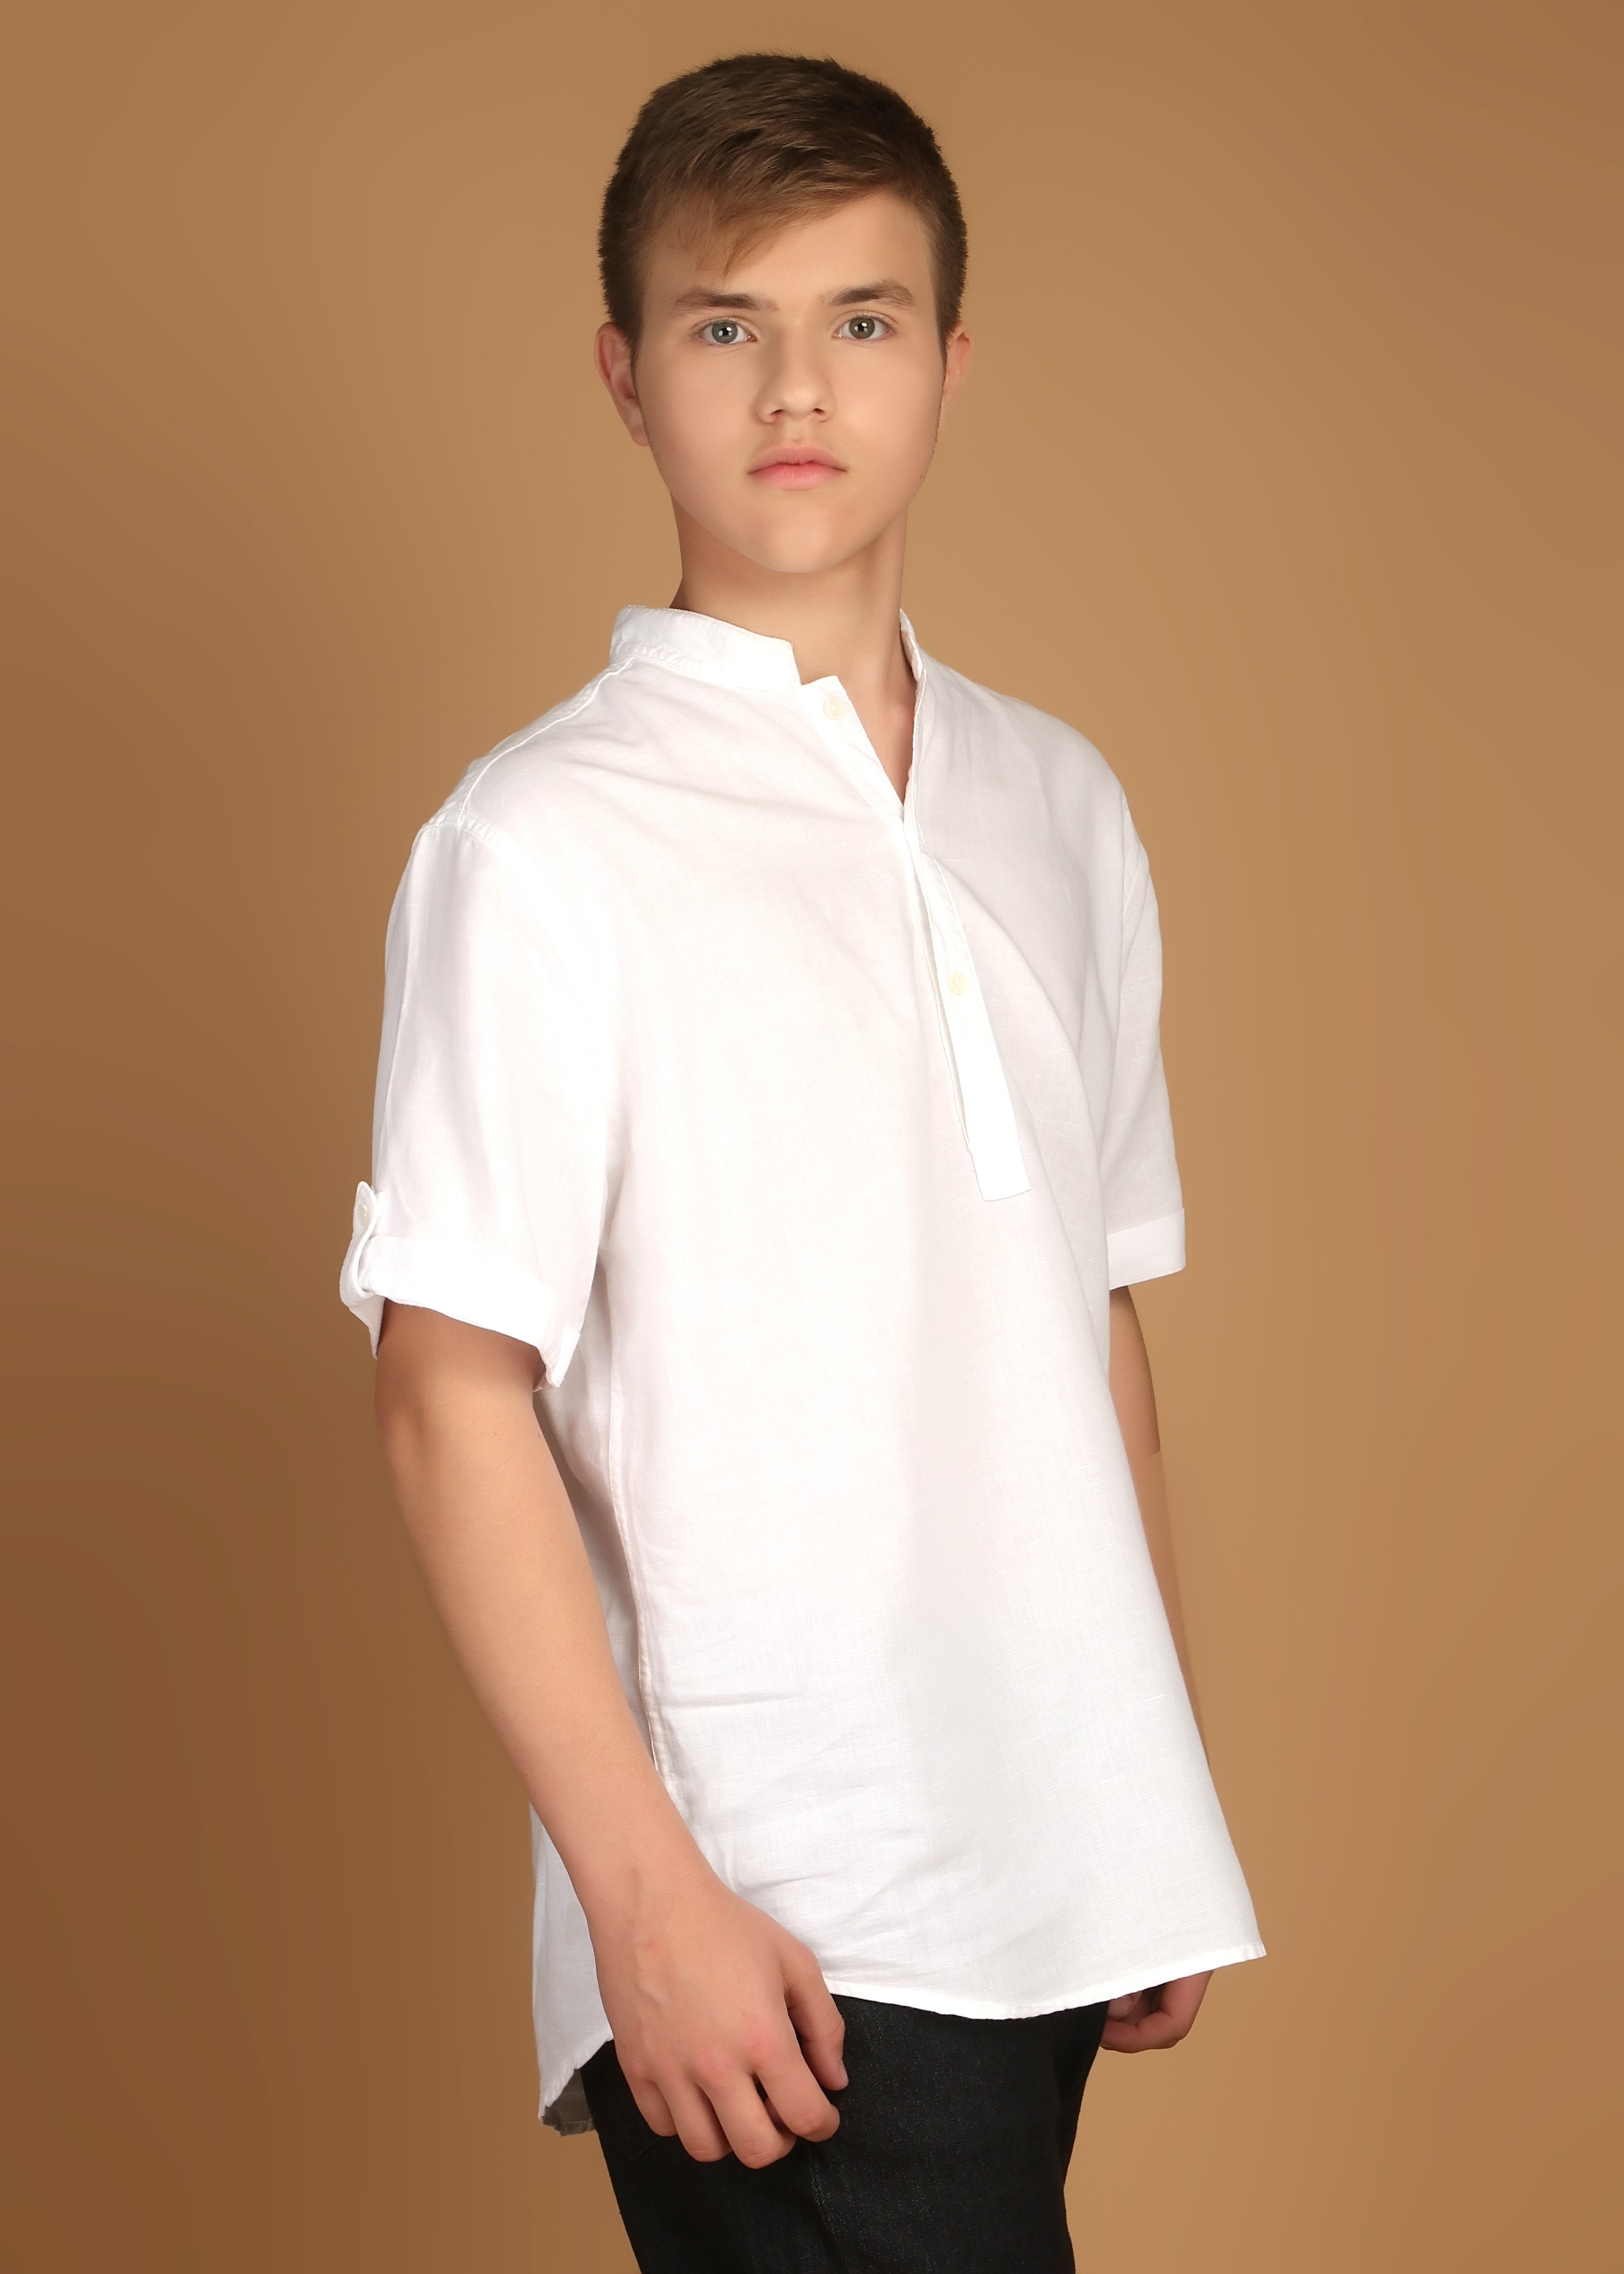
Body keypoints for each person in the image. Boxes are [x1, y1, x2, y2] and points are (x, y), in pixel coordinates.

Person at [339, 51, 1263, 2272]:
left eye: (861, 319)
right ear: (626, 376)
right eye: (723, 323)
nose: (796, 387)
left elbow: (1089, 1320)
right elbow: (449, 1394)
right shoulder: (541, 844)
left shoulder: (1060, 804)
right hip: (773, 1904)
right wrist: (643, 1897)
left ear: (949, 364)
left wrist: (1149, 1798)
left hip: (1047, 1867)